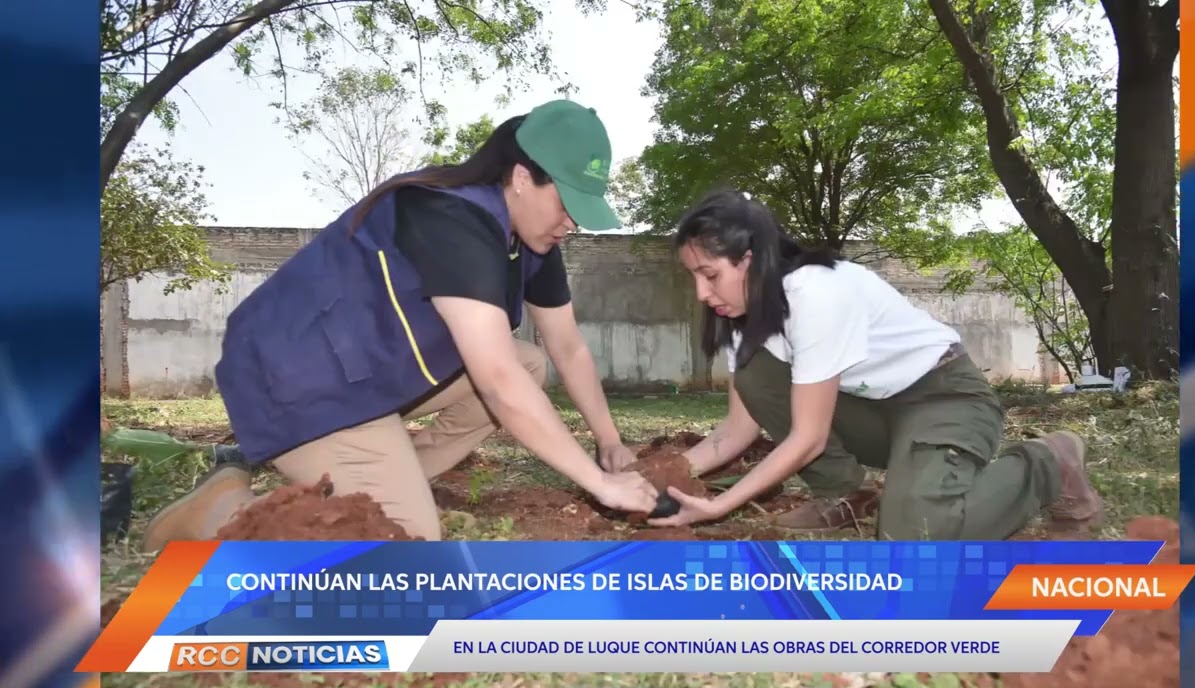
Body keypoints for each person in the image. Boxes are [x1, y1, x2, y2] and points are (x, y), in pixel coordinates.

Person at [141, 99, 659, 551]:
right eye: (568, 204)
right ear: (523, 177)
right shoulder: (452, 219)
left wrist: (610, 443)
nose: (573, 223)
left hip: (364, 377)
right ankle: (224, 514)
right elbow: (497, 383)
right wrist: (599, 482)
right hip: (300, 381)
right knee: (404, 543)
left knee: (531, 363)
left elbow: (568, 350)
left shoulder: (532, 243)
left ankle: (388, 472)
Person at [647, 190, 1104, 540]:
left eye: (710, 276)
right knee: (755, 373)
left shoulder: (815, 293)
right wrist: (663, 476)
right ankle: (843, 493)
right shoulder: (745, 321)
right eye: (694, 278)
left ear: (749, 260)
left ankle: (1046, 462)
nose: (703, 295)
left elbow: (808, 437)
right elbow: (737, 430)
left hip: (945, 397)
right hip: (875, 411)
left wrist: (719, 505)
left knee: (915, 536)